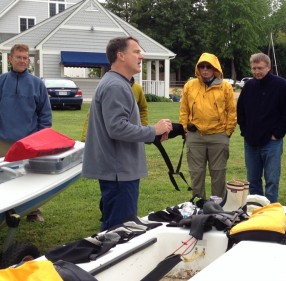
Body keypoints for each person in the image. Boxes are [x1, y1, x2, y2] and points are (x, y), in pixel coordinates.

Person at [82, 37, 173, 231]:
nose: (141, 56)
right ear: (120, 55)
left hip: (119, 171)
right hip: (119, 173)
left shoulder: (119, 83)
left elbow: (121, 126)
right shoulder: (115, 86)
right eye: (136, 52)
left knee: (114, 228)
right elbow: (117, 128)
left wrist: (154, 135)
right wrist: (153, 130)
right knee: (119, 231)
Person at [0, 43, 52, 222]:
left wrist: (41, 138)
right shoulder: (1, 82)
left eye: (25, 58)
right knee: (4, 176)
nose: (22, 61)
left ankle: (33, 210)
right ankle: (6, 208)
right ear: (10, 59)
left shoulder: (37, 84)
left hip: (29, 141)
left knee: (30, 176)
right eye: (18, 57)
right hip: (3, 140)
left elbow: (45, 113)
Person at [236, 53, 286, 203]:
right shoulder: (249, 86)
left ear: (268, 67)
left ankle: (270, 211)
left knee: (272, 181)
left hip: (271, 142)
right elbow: (240, 110)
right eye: (254, 68)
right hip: (251, 142)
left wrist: (276, 134)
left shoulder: (280, 85)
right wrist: (245, 131)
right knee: (253, 181)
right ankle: (256, 210)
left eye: (260, 68)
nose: (256, 72)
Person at [179, 53, 236, 199]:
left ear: (215, 68)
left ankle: (217, 206)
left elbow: (232, 111)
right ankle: (198, 204)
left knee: (218, 173)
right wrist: (185, 129)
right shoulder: (190, 86)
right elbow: (184, 110)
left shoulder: (225, 87)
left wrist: (227, 132)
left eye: (208, 66)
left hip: (218, 135)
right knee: (196, 173)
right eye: (202, 66)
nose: (205, 70)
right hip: (195, 135)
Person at [81, 77, 148, 141]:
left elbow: (143, 109)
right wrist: (85, 137)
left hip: (130, 133)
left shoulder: (137, 88)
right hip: (109, 135)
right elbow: (92, 114)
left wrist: (142, 129)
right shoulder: (109, 86)